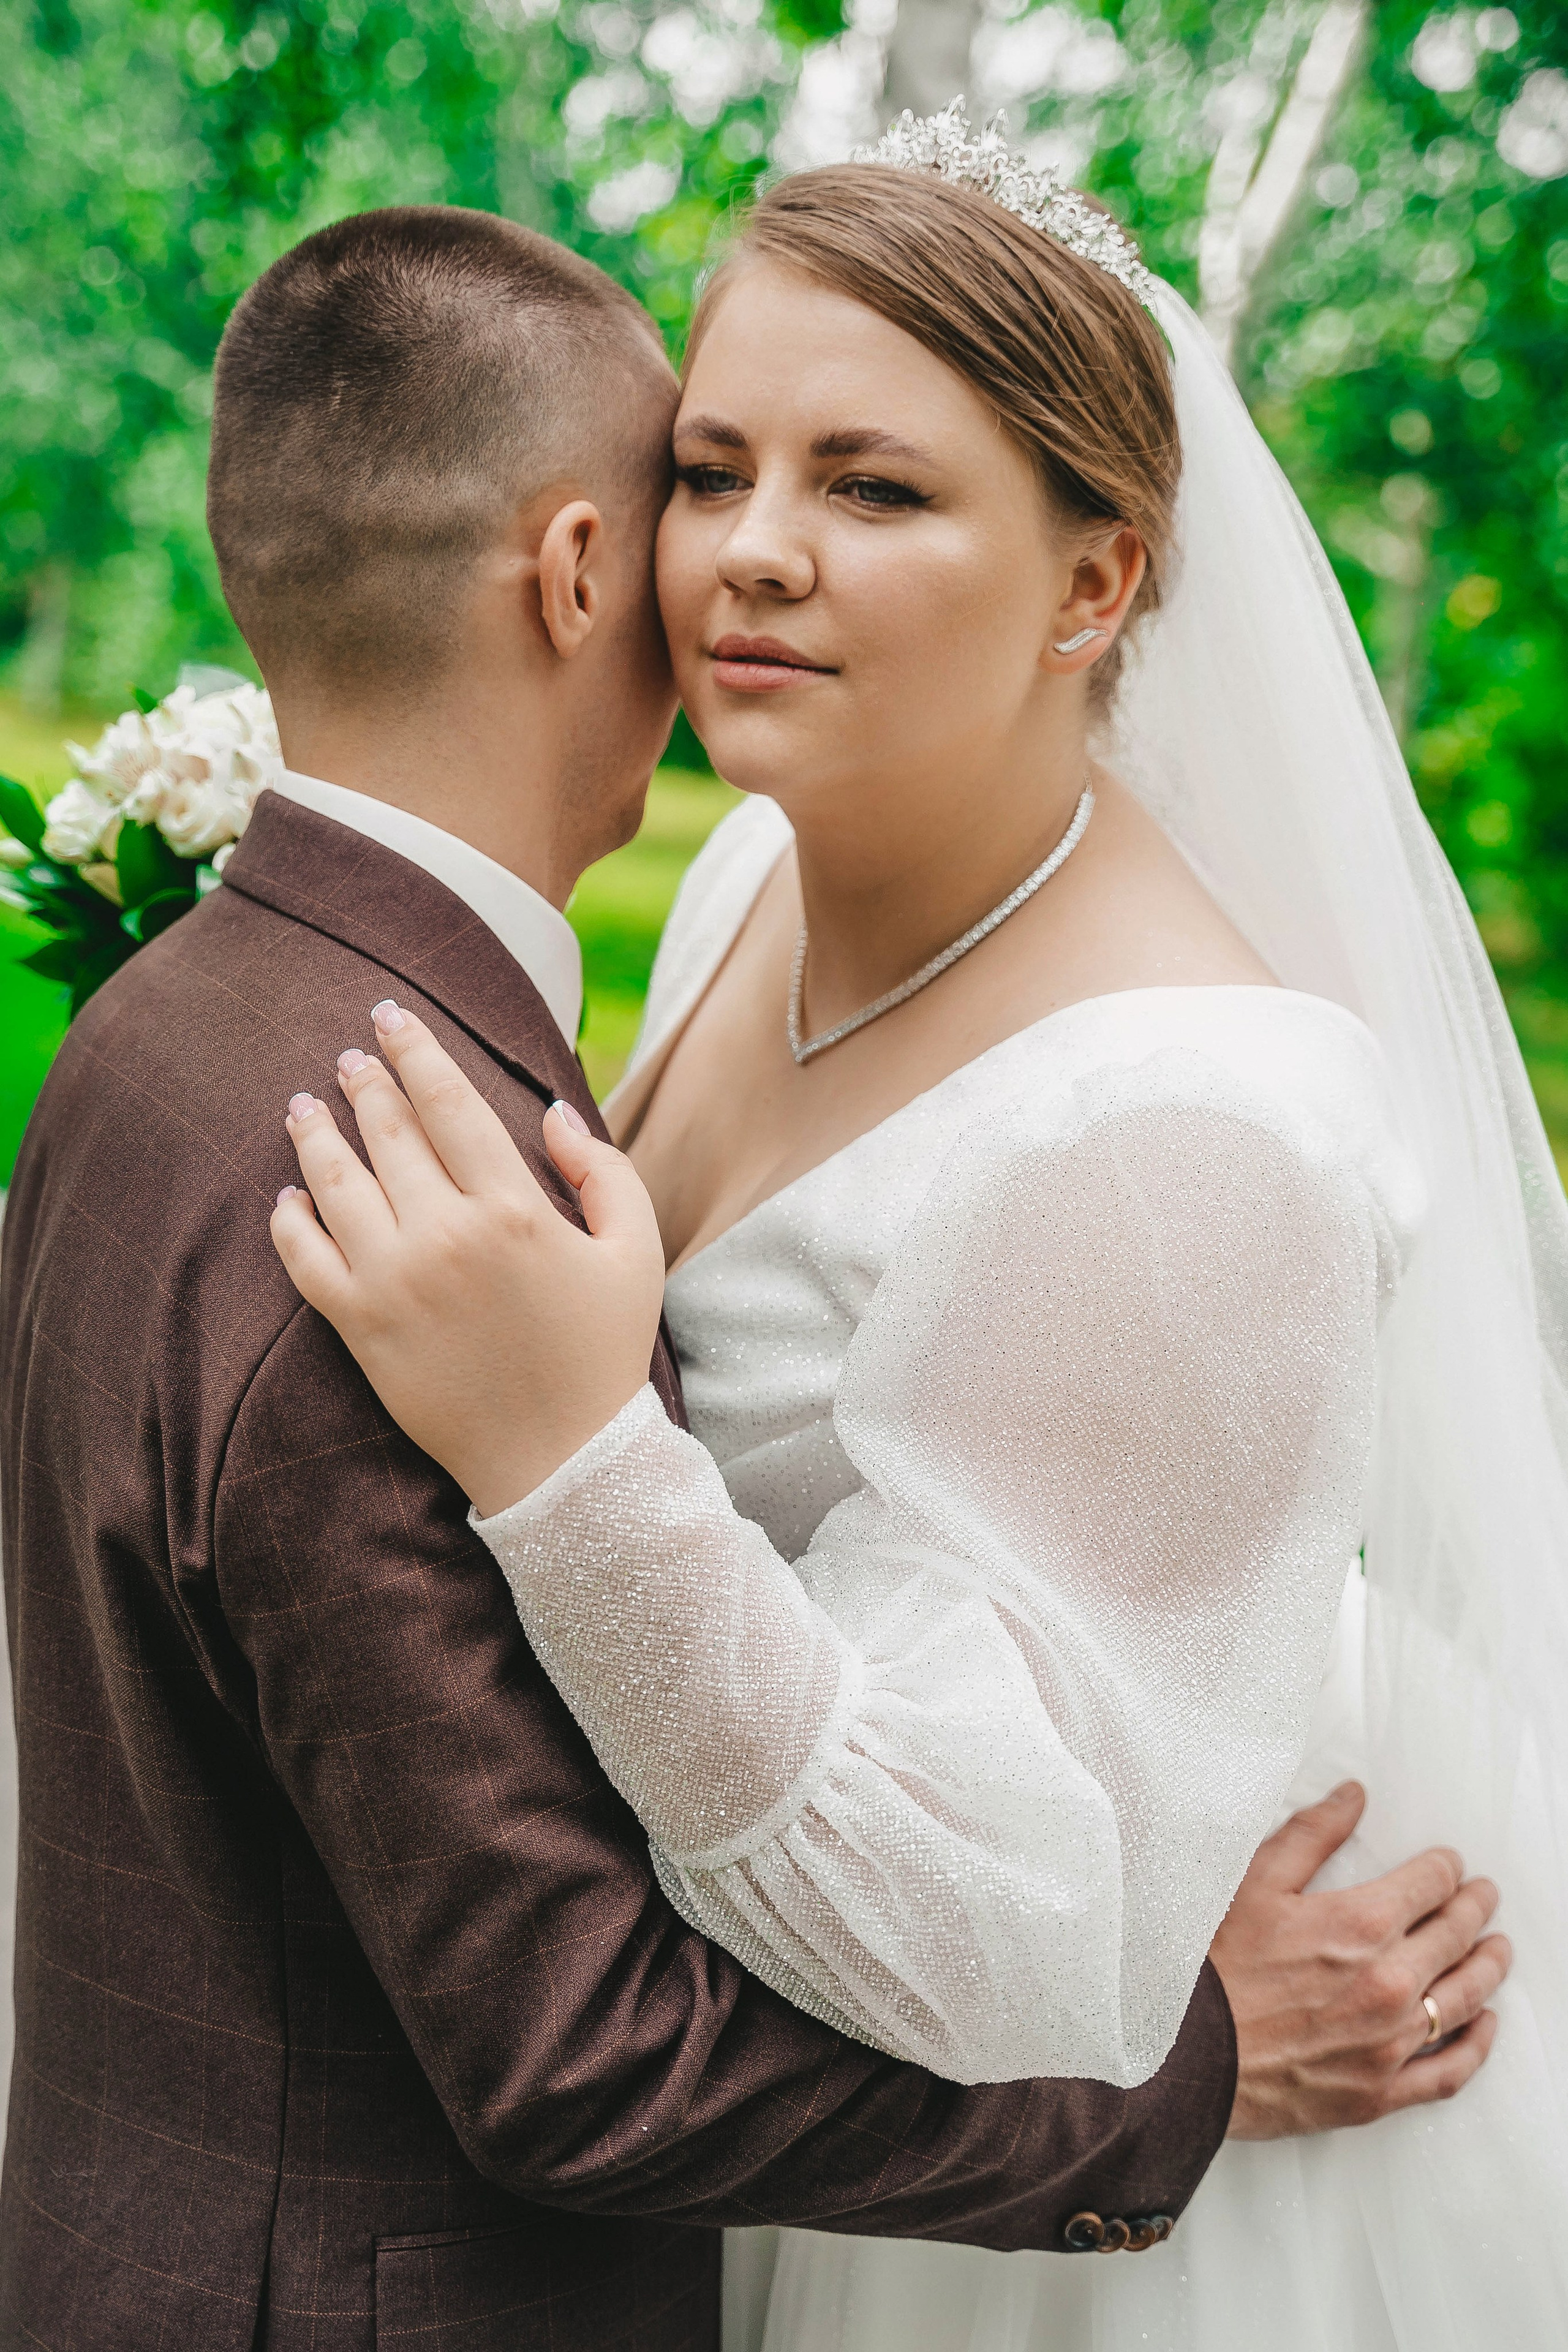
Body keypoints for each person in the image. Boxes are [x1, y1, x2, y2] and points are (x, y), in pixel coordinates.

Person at [0, 202, 1495, 2352]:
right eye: (712, 470)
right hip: (752, 2079)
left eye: (870, 487)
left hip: (1031, 2067)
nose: (754, 553)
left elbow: (1016, 1940)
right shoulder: (739, 880)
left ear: (1096, 583)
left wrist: (573, 1455)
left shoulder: (1193, 1127)